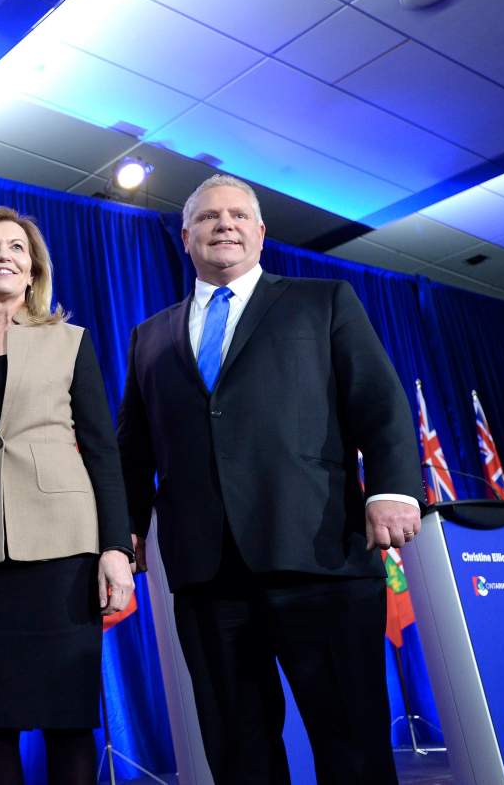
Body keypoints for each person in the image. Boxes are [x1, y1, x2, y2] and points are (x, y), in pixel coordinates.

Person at [116, 174, 423, 784]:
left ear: (260, 233)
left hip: (317, 555)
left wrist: (392, 488)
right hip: (207, 573)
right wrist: (126, 529)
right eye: (207, 217)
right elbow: (135, 444)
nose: (222, 224)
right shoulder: (149, 336)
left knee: (351, 739)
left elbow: (379, 401)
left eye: (236, 215)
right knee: (237, 746)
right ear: (185, 237)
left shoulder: (324, 301)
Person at [0, 206, 135, 785]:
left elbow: (103, 451)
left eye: (15, 247)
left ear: (33, 270)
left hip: (62, 551)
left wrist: (116, 548)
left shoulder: (70, 342)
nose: (3, 255)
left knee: (67, 722)